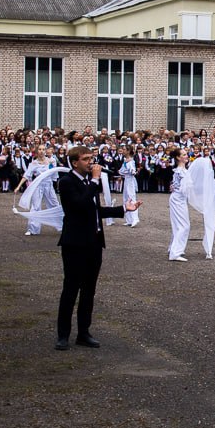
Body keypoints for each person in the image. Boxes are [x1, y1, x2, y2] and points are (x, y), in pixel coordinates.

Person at [55, 146, 140, 350]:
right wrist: (94, 181)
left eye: (91, 158)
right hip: (74, 243)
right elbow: (79, 205)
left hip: (94, 243)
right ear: (75, 162)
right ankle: (63, 335)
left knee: (89, 290)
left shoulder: (89, 183)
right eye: (86, 159)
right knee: (70, 289)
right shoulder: (67, 182)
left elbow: (95, 211)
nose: (91, 163)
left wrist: (123, 209)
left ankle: (84, 332)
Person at [168, 148, 192, 261]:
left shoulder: (183, 170)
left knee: (179, 225)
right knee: (184, 225)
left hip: (180, 199)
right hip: (178, 199)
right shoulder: (180, 171)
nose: (186, 156)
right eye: (184, 154)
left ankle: (174, 248)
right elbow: (182, 188)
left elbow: (176, 184)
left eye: (186, 154)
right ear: (178, 157)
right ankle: (175, 252)